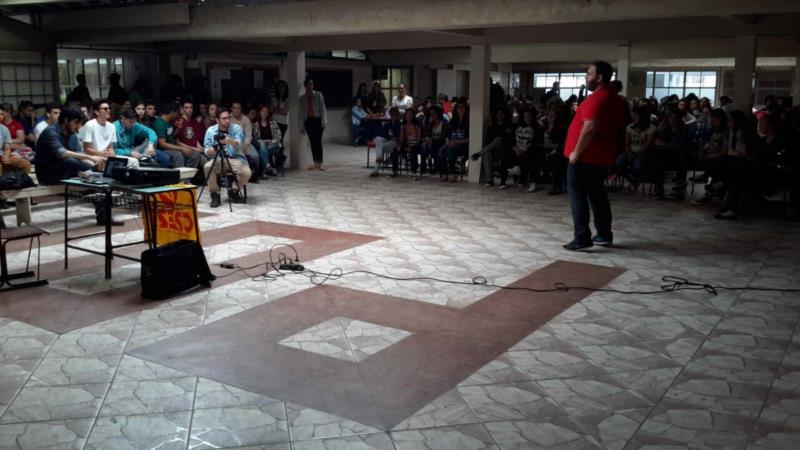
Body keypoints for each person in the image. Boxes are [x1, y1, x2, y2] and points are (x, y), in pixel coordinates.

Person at [562, 61, 624, 251]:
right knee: (597, 195)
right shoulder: (614, 98)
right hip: (600, 158)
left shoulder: (597, 99)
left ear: (599, 77)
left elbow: (589, 127)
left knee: (577, 196)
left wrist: (576, 153)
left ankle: (581, 238)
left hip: (585, 158)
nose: (586, 78)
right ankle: (604, 234)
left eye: (589, 74)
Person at [34, 108, 122, 226]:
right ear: (65, 120)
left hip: (67, 169)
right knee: (71, 161)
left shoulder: (72, 134)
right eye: (76, 123)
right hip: (47, 174)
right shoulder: (50, 132)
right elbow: (62, 153)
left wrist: (93, 166)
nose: (78, 127)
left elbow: (79, 155)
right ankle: (101, 175)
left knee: (95, 180)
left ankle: (104, 217)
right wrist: (91, 159)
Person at [203, 108, 251, 208]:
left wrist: (230, 141)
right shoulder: (211, 131)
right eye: (224, 118)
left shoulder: (236, 128)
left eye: (229, 117)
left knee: (247, 173)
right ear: (217, 120)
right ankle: (215, 194)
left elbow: (238, 142)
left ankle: (233, 190)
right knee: (207, 167)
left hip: (235, 158)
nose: (227, 120)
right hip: (218, 159)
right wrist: (210, 150)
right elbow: (206, 148)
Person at [614, 105, 656, 190]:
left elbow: (647, 145)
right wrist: (629, 154)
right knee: (618, 162)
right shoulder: (629, 127)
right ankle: (632, 180)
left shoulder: (652, 128)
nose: (633, 118)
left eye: (635, 116)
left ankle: (638, 178)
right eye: (632, 116)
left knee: (637, 165)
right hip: (630, 150)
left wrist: (635, 155)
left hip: (643, 152)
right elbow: (626, 143)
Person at [472, 107, 516, 187]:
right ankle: (489, 180)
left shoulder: (509, 126)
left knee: (498, 139)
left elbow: (511, 140)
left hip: (506, 149)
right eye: (498, 114)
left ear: (505, 115)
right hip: (494, 150)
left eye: (501, 114)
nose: (499, 116)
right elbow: (488, 142)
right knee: (487, 153)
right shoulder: (492, 127)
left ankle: (479, 153)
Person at [499, 108, 537, 190]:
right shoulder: (517, 127)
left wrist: (524, 150)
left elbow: (535, 142)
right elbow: (511, 140)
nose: (527, 118)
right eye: (525, 116)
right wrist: (515, 148)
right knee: (505, 156)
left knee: (529, 156)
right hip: (517, 149)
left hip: (528, 150)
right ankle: (503, 181)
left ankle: (525, 180)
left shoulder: (536, 128)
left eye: (529, 116)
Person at [173, 99, 208, 179]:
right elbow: (177, 142)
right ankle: (186, 180)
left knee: (207, 157)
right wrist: (194, 148)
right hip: (184, 148)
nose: (189, 110)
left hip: (194, 148)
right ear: (182, 109)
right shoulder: (178, 120)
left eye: (191, 107)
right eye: (186, 107)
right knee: (199, 157)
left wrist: (200, 147)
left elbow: (196, 140)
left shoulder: (194, 121)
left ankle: (211, 182)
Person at [298, 78, 327, 171]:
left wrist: (324, 122)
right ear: (305, 86)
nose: (310, 86)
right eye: (308, 84)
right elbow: (301, 113)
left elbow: (323, 109)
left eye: (311, 84)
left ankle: (321, 162)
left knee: (318, 142)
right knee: (312, 142)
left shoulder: (318, 95)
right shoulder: (302, 98)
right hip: (308, 121)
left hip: (318, 120)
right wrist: (301, 126)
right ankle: (315, 162)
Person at [439, 102, 469, 182]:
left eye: (462, 107)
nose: (460, 109)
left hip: (463, 145)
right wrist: (448, 141)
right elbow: (448, 136)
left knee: (450, 150)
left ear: (466, 109)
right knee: (442, 149)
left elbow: (470, 139)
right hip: (452, 143)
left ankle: (453, 172)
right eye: (458, 108)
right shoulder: (452, 121)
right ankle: (445, 172)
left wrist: (456, 142)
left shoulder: (468, 122)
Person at [230, 101, 260, 177]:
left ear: (241, 109)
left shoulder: (246, 119)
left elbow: (248, 135)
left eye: (238, 108)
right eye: (235, 108)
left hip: (245, 143)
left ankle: (254, 175)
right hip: (232, 144)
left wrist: (245, 145)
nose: (236, 110)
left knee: (255, 156)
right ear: (231, 109)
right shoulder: (228, 118)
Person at [369, 107, 401, 178]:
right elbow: (382, 134)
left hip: (394, 142)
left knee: (379, 147)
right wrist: (389, 135)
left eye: (395, 115)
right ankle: (380, 157)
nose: (393, 116)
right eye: (392, 115)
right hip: (386, 140)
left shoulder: (400, 124)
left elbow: (398, 135)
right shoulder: (388, 124)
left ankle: (375, 171)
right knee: (377, 139)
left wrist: (392, 134)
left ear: (398, 114)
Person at [252, 104, 282, 178]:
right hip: (263, 145)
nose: (265, 113)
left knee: (262, 150)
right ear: (259, 112)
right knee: (263, 146)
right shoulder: (256, 124)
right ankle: (268, 167)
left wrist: (272, 141)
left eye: (266, 111)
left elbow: (279, 136)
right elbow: (255, 138)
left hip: (273, 145)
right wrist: (264, 141)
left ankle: (264, 172)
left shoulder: (273, 123)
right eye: (263, 111)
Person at [0, 107, 32, 175]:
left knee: (26, 164)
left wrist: (6, 156)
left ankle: (18, 182)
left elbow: (7, 148)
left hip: (3, 156)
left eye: (2, 114)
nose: (0, 116)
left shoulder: (4, 129)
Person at [421, 106, 447, 176]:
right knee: (424, 145)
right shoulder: (430, 123)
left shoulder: (443, 123)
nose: (432, 116)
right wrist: (429, 124)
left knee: (429, 145)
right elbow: (427, 134)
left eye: (433, 114)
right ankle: (425, 167)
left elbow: (444, 137)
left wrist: (432, 140)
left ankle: (433, 165)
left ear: (438, 113)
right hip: (431, 143)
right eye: (430, 114)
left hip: (441, 142)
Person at [399, 108, 422, 180]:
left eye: (410, 114)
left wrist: (412, 145)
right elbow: (402, 138)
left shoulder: (417, 125)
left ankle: (414, 171)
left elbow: (419, 138)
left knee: (413, 151)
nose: (409, 116)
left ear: (413, 116)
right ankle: (394, 170)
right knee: (396, 149)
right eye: (407, 114)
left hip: (415, 144)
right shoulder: (403, 125)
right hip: (406, 143)